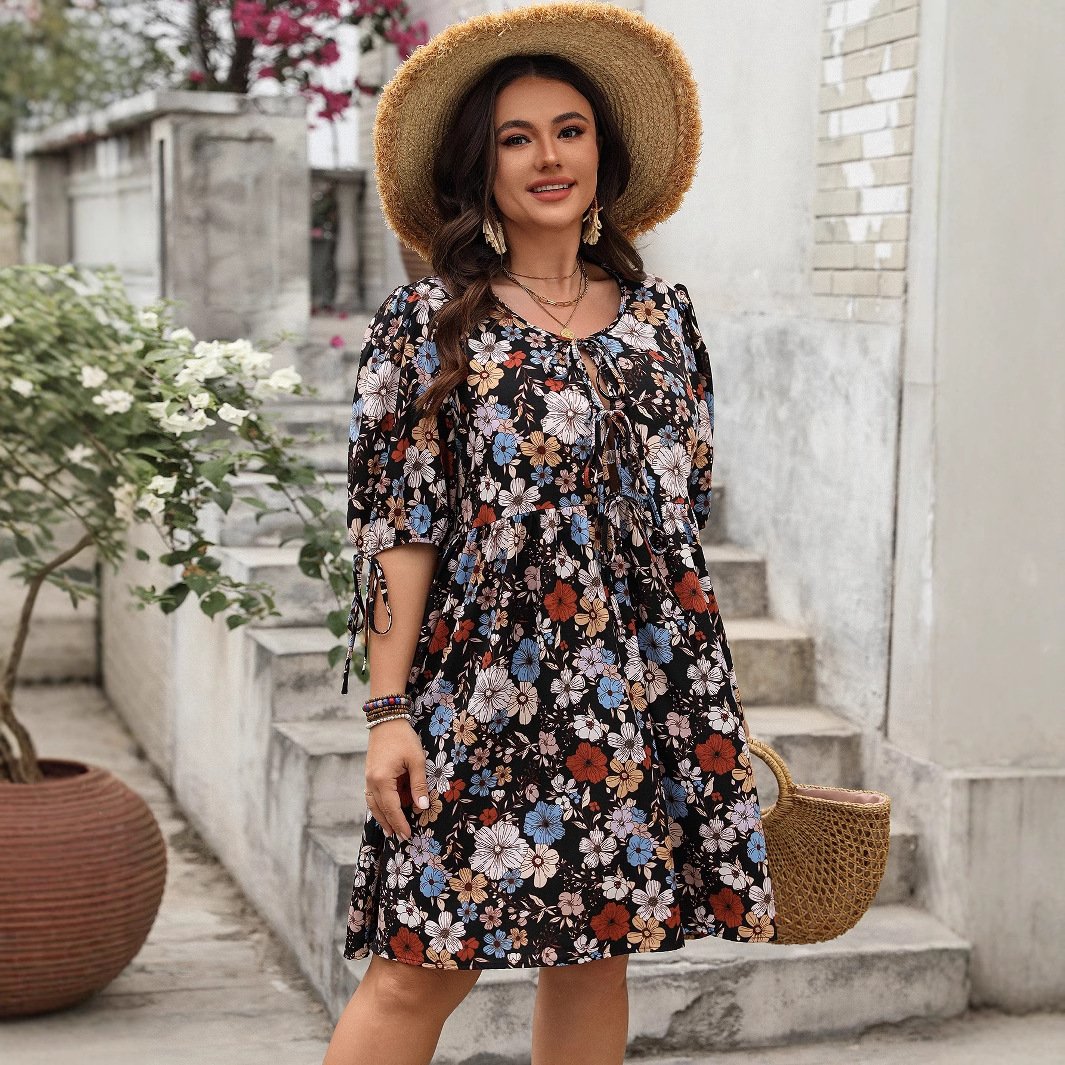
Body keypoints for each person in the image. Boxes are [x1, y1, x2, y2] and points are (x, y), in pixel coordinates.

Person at [323, 5, 775, 1065]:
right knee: (415, 967)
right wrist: (387, 712)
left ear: (602, 154)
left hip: (630, 693)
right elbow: (399, 528)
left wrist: (692, 698)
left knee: (596, 955)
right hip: (482, 691)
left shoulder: (665, 322)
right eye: (516, 138)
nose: (548, 157)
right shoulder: (428, 323)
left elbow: (677, 521)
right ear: (482, 169)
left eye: (569, 131)